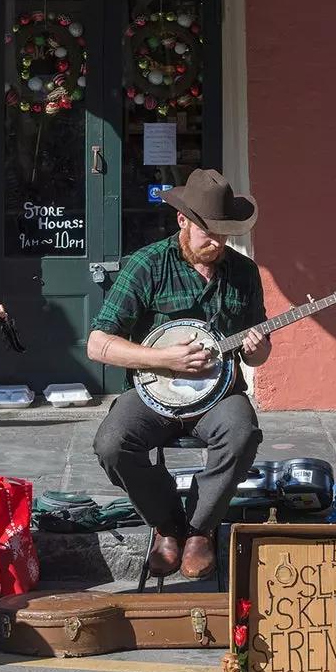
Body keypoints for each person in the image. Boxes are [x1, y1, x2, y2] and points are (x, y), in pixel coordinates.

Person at [88, 169, 269, 581]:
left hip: (220, 395)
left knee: (242, 433)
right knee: (112, 444)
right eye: (208, 231)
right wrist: (162, 359)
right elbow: (98, 343)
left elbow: (257, 354)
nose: (217, 242)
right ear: (182, 220)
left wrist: (258, 351)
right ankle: (167, 523)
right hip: (154, 394)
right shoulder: (147, 265)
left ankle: (200, 530)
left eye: (224, 233)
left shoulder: (243, 272)